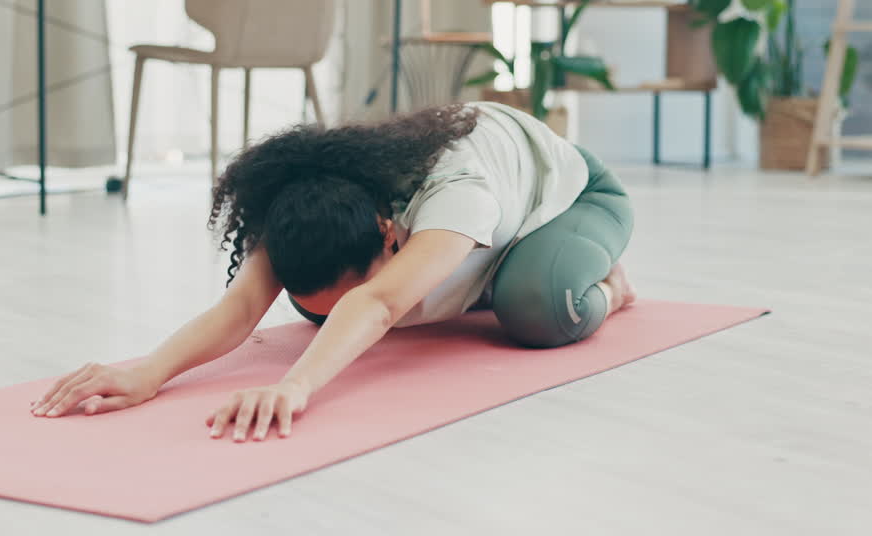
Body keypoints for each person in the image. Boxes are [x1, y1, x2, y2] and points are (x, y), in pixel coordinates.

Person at [31, 102, 636, 442]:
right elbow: (241, 307)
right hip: (454, 239)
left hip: (569, 197)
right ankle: (471, 274)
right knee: (332, 303)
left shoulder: (456, 193)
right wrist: (148, 372)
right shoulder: (306, 203)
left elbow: (378, 304)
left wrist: (294, 386)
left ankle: (608, 283)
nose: (348, 303)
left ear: (386, 228)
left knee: (536, 308)